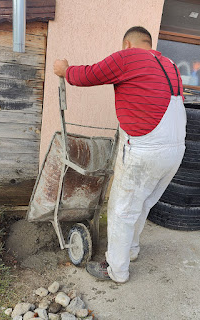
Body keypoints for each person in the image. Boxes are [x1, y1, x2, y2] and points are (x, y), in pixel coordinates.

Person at [54, 26, 186, 283]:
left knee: (121, 211)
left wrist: (65, 70)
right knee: (144, 203)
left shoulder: (128, 57)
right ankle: (131, 250)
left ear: (127, 43)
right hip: (176, 151)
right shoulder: (170, 64)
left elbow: (89, 75)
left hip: (144, 150)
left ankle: (116, 270)